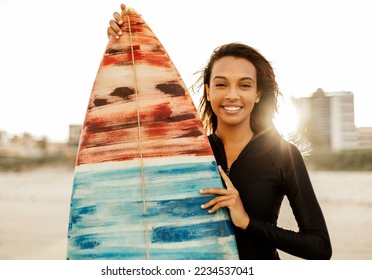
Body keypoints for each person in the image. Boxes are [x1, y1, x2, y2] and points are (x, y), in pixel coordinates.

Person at [107, 4, 332, 260]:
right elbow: (136, 123)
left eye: (244, 85)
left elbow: (319, 247)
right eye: (221, 84)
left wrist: (247, 221)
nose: (232, 95)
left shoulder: (283, 155)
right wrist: (123, 48)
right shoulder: (189, 152)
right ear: (208, 90)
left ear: (257, 94)